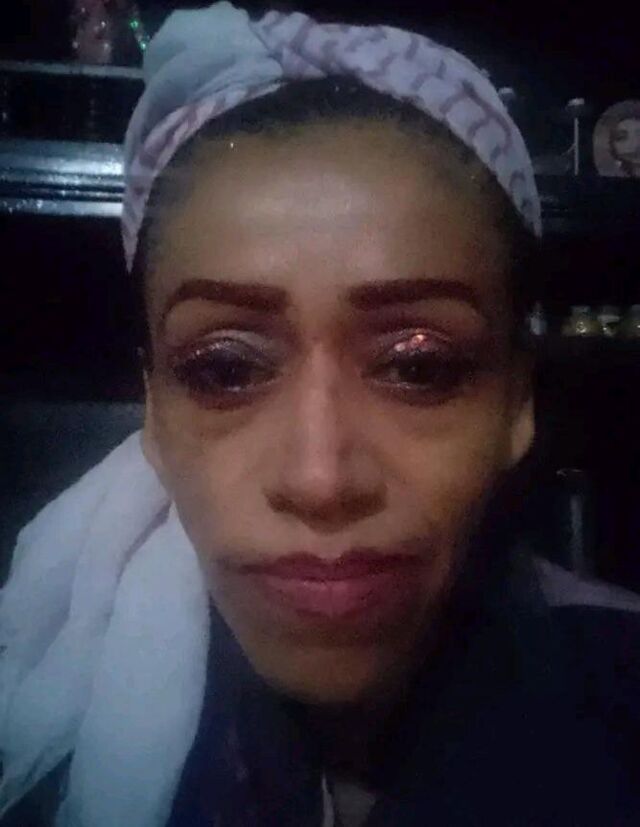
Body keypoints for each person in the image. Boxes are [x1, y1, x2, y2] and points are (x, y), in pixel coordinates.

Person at [1, 3, 639, 825]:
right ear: (153, 411)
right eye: (225, 368)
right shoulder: (36, 744)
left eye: (419, 364)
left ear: (518, 400)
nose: (320, 478)